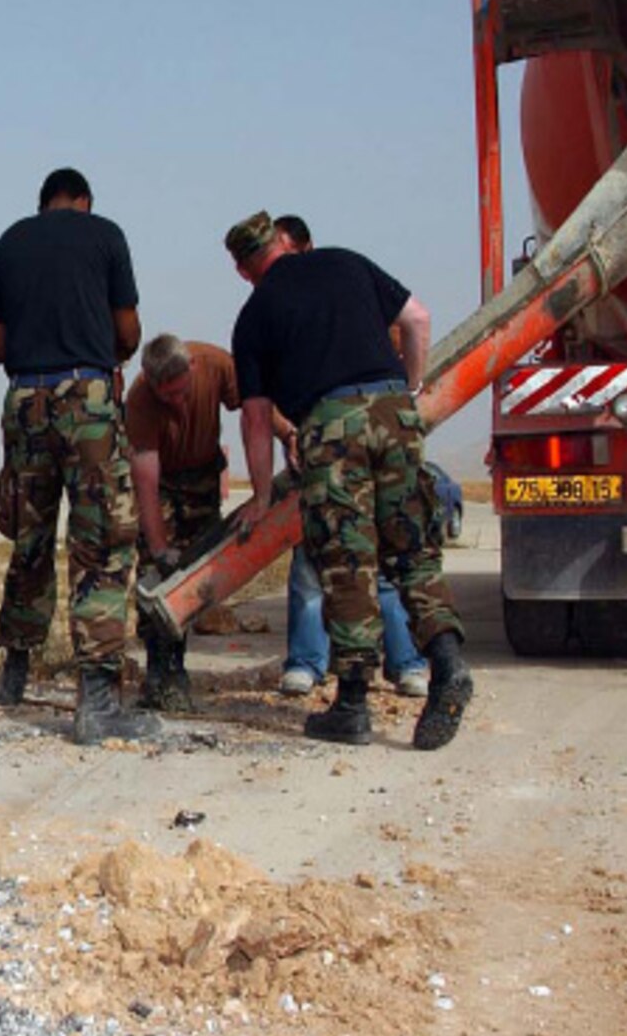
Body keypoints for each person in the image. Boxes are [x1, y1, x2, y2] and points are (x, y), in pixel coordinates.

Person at [226, 209, 474, 749]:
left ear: (245, 269)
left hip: (332, 428)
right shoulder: (348, 263)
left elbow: (256, 415)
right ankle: (449, 665)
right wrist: (406, 392)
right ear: (286, 244)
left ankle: (353, 706)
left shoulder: (256, 311)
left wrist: (262, 494)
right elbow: (419, 318)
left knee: (347, 563)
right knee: (414, 552)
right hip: (394, 414)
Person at [0, 167, 150, 745]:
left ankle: (15, 670)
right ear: (84, 201)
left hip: (25, 398)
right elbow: (128, 332)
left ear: (42, 202)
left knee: (29, 540)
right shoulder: (106, 235)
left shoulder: (5, 243)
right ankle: (97, 697)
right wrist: (102, 344)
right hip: (88, 399)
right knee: (100, 543)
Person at [267, 215, 429, 699]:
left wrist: (408, 394)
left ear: (306, 249)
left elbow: (412, 327)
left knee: (375, 562)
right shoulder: (278, 309)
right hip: (318, 456)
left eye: (284, 256)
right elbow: (267, 395)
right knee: (313, 566)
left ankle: (402, 667)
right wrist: (293, 430)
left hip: (352, 452)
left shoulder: (346, 297)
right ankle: (311, 664)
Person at [125, 332, 243, 712]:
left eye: (181, 392)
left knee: (197, 575)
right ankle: (160, 673)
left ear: (192, 367)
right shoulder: (140, 399)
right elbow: (146, 479)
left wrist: (289, 434)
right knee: (156, 579)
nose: (176, 403)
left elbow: (257, 407)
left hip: (204, 481)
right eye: (167, 397)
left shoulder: (216, 364)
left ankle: (179, 666)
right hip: (164, 485)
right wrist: (159, 547)